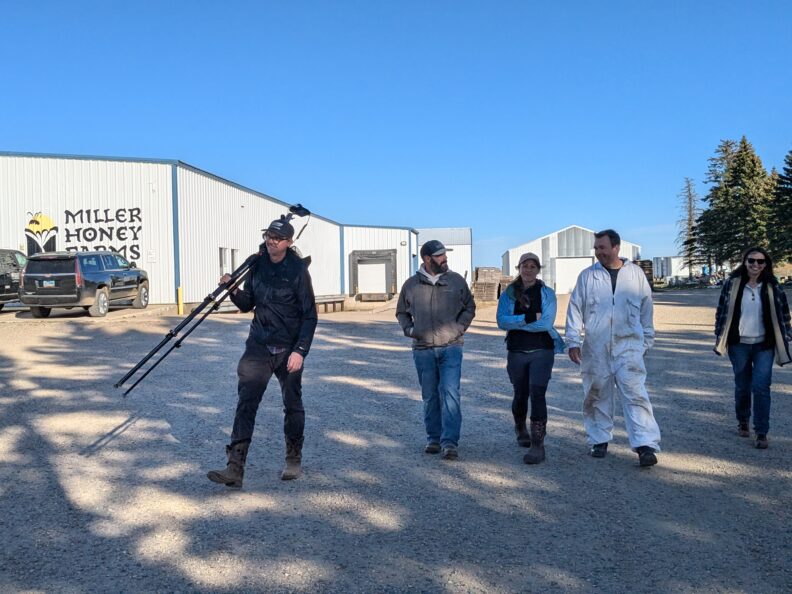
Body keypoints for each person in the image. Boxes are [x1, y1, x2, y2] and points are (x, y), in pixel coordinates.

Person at [207, 214, 317, 488]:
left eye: (277, 239)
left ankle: (293, 458)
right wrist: (232, 289)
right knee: (246, 403)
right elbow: (247, 304)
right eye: (268, 236)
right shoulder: (257, 265)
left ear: (289, 242)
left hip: (289, 348)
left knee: (292, 404)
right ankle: (235, 468)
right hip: (258, 345)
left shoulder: (298, 271)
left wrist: (300, 351)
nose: (271, 241)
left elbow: (310, 316)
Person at [565, 229, 661, 467]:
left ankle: (645, 445)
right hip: (596, 347)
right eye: (596, 248)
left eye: (602, 247)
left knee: (636, 394)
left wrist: (646, 340)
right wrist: (573, 341)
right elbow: (575, 309)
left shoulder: (635, 275)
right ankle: (599, 440)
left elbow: (646, 309)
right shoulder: (588, 277)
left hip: (628, 346)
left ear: (616, 247)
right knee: (596, 394)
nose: (598, 252)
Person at [396, 240, 476, 460]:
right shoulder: (411, 285)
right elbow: (401, 312)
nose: (444, 259)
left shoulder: (456, 281)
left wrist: (458, 329)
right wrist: (411, 330)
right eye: (440, 256)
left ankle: (449, 442)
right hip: (423, 349)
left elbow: (470, 307)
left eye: (444, 255)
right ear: (427, 259)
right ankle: (433, 439)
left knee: (450, 393)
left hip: (451, 348)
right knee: (430, 396)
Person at [714, 247, 791, 448]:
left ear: (766, 264)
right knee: (743, 386)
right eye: (751, 261)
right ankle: (742, 420)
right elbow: (721, 310)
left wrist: (786, 333)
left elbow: (784, 312)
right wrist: (719, 334)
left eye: (760, 261)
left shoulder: (773, 285)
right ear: (745, 262)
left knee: (761, 387)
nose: (755, 265)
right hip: (739, 344)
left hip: (764, 344)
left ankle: (761, 432)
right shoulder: (733, 284)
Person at [497, 252, 565, 464]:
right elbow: (501, 321)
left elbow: (545, 324)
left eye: (533, 266)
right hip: (517, 350)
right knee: (520, 393)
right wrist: (527, 318)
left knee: (537, 393)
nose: (528, 270)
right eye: (525, 266)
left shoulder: (547, 293)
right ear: (519, 268)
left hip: (542, 350)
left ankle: (538, 444)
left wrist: (518, 323)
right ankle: (520, 427)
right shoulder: (508, 294)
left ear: (538, 269)